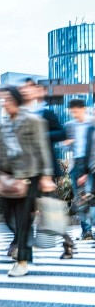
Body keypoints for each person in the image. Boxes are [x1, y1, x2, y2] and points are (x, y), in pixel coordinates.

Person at [0, 87, 55, 277]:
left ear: (16, 101)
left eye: (7, 100)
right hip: (7, 179)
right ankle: (25, 245)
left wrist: (46, 176)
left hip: (28, 178)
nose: (4, 104)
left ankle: (22, 262)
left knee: (23, 221)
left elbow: (43, 149)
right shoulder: (4, 126)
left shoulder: (33, 121)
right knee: (7, 217)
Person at [20, 79, 73, 259]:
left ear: (38, 91)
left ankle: (67, 241)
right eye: (24, 88)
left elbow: (61, 133)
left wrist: (41, 133)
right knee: (26, 208)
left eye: (29, 88)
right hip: (26, 169)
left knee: (50, 209)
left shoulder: (46, 113)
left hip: (45, 169)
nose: (26, 91)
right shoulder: (20, 114)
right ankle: (21, 248)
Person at [63, 99, 95, 240]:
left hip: (91, 164)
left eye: (76, 111)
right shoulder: (69, 126)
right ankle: (86, 231)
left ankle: (91, 227)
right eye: (72, 112)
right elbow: (63, 147)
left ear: (84, 109)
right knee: (80, 199)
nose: (74, 115)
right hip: (76, 163)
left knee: (90, 196)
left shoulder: (92, 122)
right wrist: (67, 144)